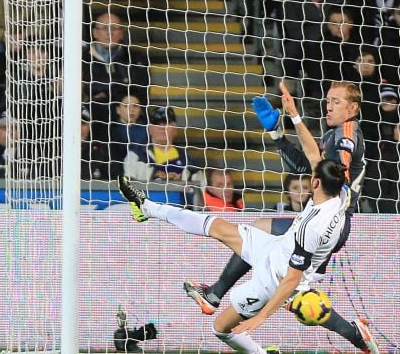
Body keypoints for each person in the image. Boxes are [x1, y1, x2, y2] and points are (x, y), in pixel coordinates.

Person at [184, 81, 377, 353]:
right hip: (326, 221)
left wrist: (295, 119)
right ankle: (355, 334)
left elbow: (336, 168)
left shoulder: (347, 132)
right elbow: (304, 165)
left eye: (336, 101)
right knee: (294, 293)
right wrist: (277, 133)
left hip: (330, 222)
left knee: (281, 272)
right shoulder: (330, 135)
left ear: (353, 108)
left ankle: (214, 294)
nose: (329, 106)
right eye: (327, 100)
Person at [118, 156, 375, 353]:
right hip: (274, 248)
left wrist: (261, 317)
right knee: (217, 226)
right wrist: (295, 116)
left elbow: (291, 280)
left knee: (221, 328)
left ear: (316, 182)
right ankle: (147, 208)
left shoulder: (313, 227)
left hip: (272, 281)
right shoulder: (340, 195)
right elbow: (313, 156)